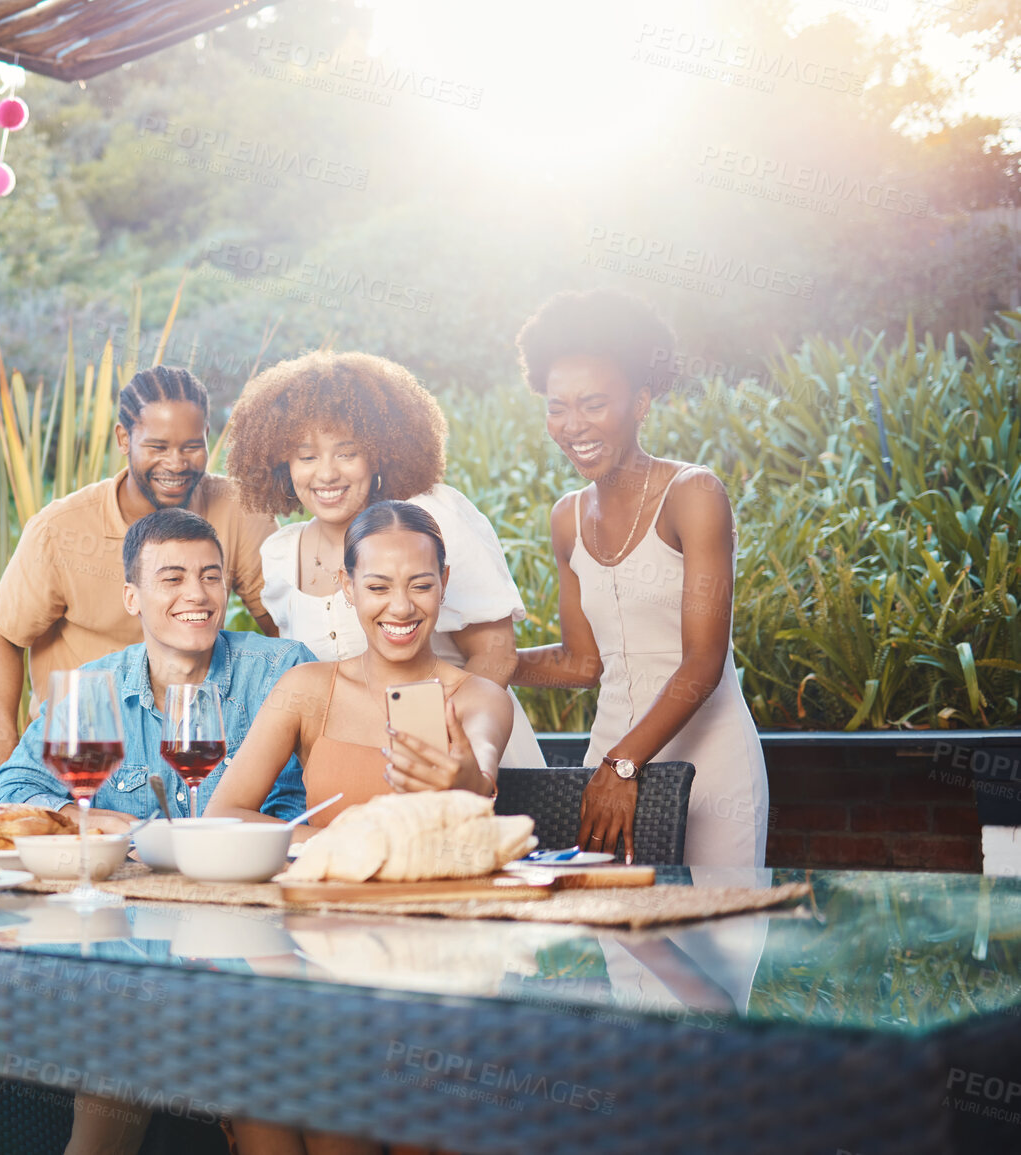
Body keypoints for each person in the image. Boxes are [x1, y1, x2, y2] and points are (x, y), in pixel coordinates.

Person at [0, 508, 310, 1155]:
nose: (195, 594)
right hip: (106, 942)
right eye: (171, 578)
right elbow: (11, 790)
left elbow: (310, 808)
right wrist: (97, 819)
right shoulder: (93, 687)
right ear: (131, 597)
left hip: (239, 947)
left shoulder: (278, 670)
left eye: (209, 576)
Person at [508, 288, 767, 868]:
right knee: (623, 947)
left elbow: (703, 660)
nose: (573, 425)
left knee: (713, 944)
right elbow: (583, 663)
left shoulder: (692, 494)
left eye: (594, 403)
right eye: (557, 407)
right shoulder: (567, 517)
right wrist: (486, 660)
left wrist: (621, 766)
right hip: (609, 759)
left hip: (707, 761)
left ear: (641, 401)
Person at [0, 365, 278, 799]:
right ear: (122, 439)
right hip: (90, 757)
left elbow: (281, 626)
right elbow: (5, 638)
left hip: (199, 747)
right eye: (157, 446)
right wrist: (1, 741)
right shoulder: (60, 530)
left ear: (208, 435)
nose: (176, 463)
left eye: (192, 446)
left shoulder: (239, 511)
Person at [224, 351, 545, 769]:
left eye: (346, 452)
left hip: (468, 758)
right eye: (306, 457)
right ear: (282, 464)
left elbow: (496, 653)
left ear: (380, 452)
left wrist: (438, 749)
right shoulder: (282, 555)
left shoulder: (431, 518)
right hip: (354, 773)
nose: (326, 475)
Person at [207, 501, 514, 838]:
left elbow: (482, 765)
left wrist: (473, 784)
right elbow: (224, 814)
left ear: (444, 581)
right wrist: (347, 844)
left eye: (421, 586)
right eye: (378, 587)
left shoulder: (480, 696)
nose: (401, 607)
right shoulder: (306, 688)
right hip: (326, 888)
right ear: (348, 586)